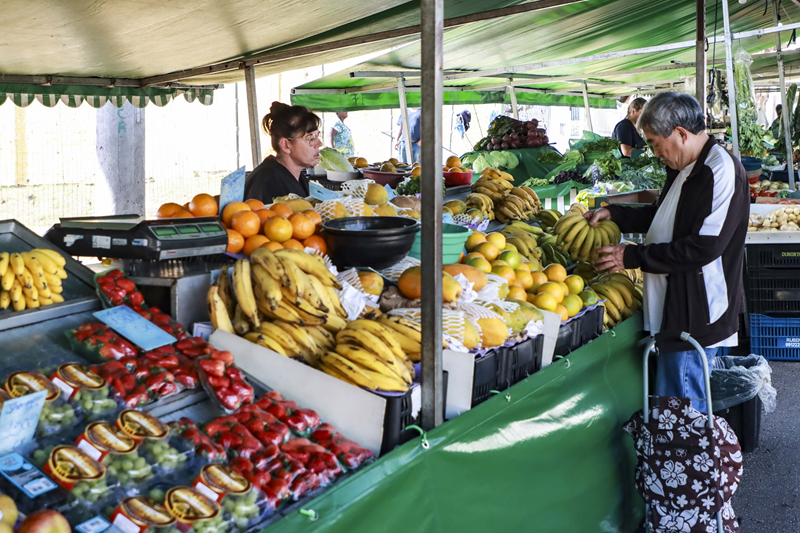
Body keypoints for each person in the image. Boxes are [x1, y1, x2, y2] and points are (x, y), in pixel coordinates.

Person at [586, 91, 749, 413]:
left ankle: (686, 460)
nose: (655, 152)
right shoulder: (685, 166)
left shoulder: (718, 171)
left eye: (655, 143)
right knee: (677, 399)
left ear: (681, 134)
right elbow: (663, 215)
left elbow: (705, 246)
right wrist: (615, 213)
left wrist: (631, 257)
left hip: (696, 309)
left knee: (683, 405)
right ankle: (679, 458)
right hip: (677, 303)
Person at [244, 102, 322, 204]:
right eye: (311, 138)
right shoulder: (268, 183)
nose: (319, 143)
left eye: (317, 136)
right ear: (286, 145)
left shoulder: (297, 177)